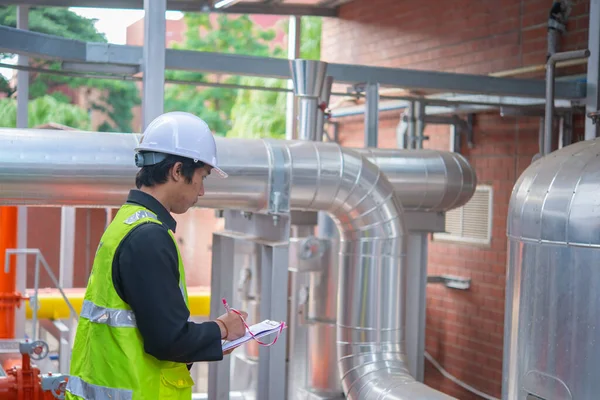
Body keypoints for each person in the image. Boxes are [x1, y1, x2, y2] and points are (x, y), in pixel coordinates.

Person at [65, 112, 248, 400]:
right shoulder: (149, 237)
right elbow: (168, 340)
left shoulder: (127, 222)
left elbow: (151, 327)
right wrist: (223, 329)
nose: (201, 190)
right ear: (177, 171)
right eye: (201, 177)